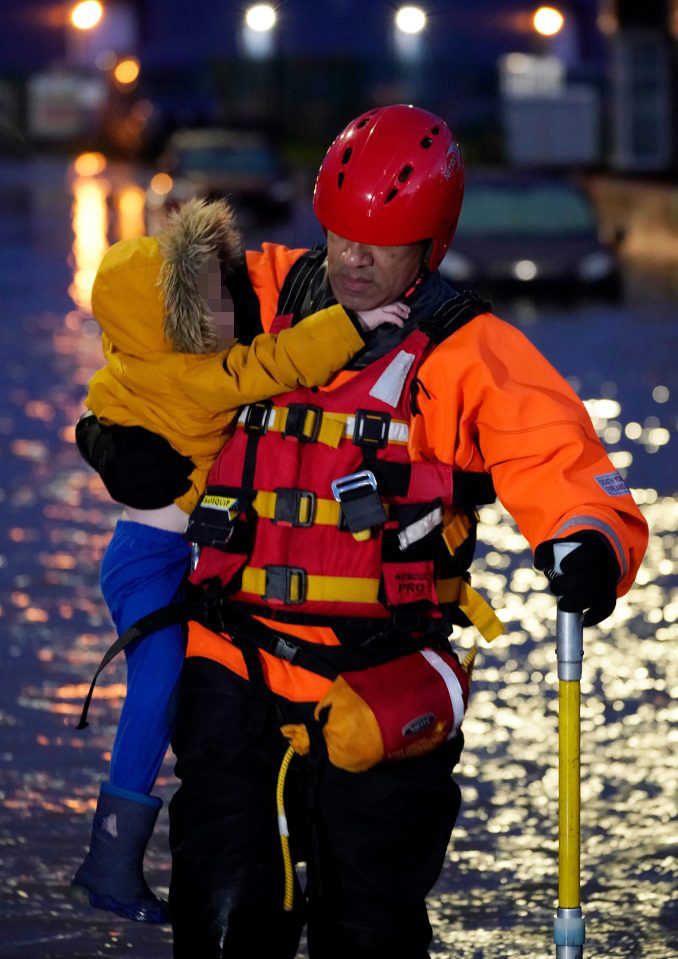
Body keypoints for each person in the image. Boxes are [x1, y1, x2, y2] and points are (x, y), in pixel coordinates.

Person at [77, 105, 648, 958]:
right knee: (223, 921)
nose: (353, 258)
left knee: (368, 931)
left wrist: (589, 537)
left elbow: (559, 453)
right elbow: (135, 339)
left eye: (381, 243)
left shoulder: (466, 350)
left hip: (382, 684)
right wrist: (101, 434)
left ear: (433, 244)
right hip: (234, 667)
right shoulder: (257, 293)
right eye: (342, 234)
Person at [71, 196, 408, 924]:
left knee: (175, 690)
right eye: (213, 299)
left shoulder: (132, 356)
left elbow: (103, 397)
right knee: (156, 690)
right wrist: (352, 326)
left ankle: (116, 859)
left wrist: (91, 433)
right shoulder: (195, 375)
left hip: (154, 553)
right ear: (172, 324)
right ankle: (109, 862)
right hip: (152, 560)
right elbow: (273, 362)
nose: (232, 304)